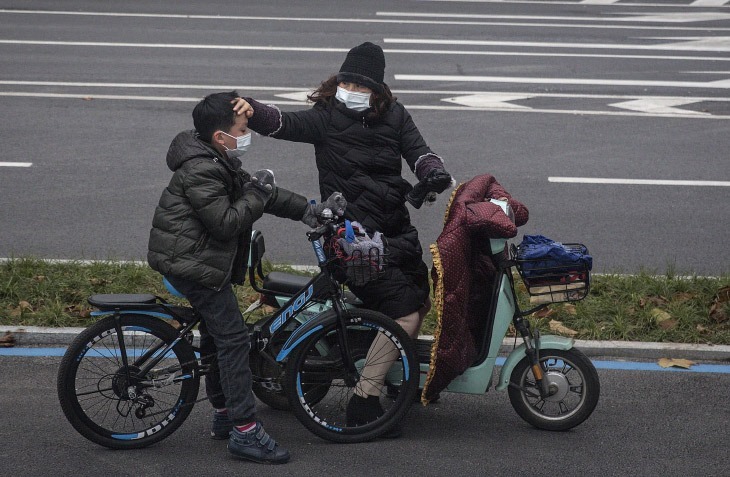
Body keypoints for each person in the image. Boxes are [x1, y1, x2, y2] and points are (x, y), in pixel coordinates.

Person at [231, 42, 453, 431]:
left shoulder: (397, 117)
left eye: (360, 85)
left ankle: (388, 374)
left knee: (419, 299)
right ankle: (364, 400)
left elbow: (420, 153)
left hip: (396, 233)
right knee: (405, 313)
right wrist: (251, 107)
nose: (350, 88)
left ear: (377, 91)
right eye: (346, 81)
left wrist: (433, 173)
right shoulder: (326, 118)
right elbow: (283, 123)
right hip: (353, 242)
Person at [147, 91, 346, 464]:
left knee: (216, 333)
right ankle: (244, 432)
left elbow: (262, 196)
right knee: (234, 341)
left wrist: (311, 210)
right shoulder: (202, 168)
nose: (247, 133)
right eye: (242, 128)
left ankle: (223, 414)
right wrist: (257, 190)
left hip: (194, 258)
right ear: (221, 136)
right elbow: (226, 223)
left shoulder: (212, 155)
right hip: (193, 264)